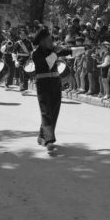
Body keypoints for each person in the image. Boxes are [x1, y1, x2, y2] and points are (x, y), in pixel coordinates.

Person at [31, 27, 71, 155]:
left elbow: (70, 51)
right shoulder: (36, 54)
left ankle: (41, 137)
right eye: (49, 40)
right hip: (43, 86)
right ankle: (49, 141)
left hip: (55, 84)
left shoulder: (53, 50)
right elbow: (48, 63)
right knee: (46, 112)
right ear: (42, 41)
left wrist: (85, 49)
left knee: (54, 112)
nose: (51, 42)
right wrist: (56, 52)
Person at [12, 27, 34, 95]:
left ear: (26, 34)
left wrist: (32, 58)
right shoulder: (17, 43)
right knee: (22, 75)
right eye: (21, 34)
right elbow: (14, 52)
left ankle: (25, 88)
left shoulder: (29, 42)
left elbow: (31, 51)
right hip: (20, 60)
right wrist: (15, 61)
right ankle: (22, 89)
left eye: (24, 34)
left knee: (26, 75)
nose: (23, 35)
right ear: (19, 35)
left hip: (27, 61)